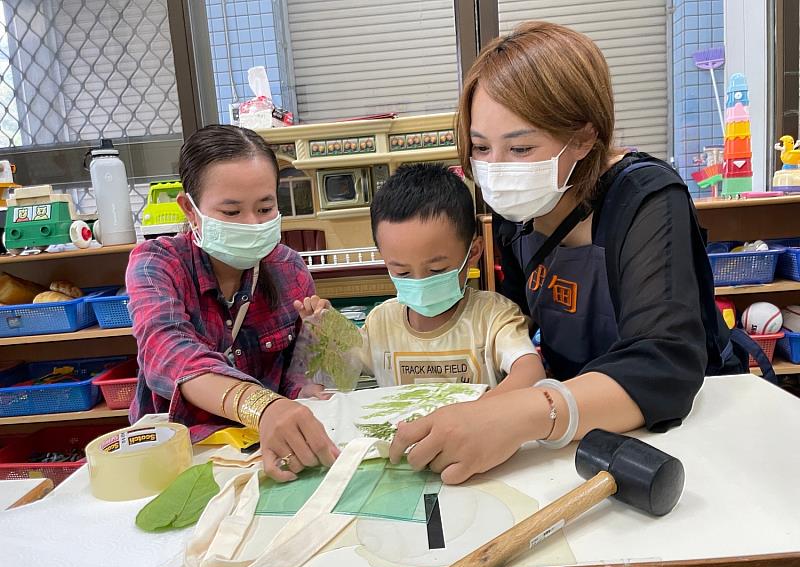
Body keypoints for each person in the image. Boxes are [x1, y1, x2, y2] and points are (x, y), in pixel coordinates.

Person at [386, 21, 745, 485]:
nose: (496, 170)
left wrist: (525, 414)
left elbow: (665, 363)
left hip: (678, 426)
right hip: (576, 428)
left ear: (583, 136)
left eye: (520, 147)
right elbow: (516, 323)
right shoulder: (519, 211)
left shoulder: (646, 198)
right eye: (480, 147)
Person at [127, 124, 337, 482]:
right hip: (180, 457)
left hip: (263, 452)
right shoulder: (157, 263)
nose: (253, 224)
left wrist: (318, 352)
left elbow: (292, 377)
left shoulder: (288, 268)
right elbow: (168, 351)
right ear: (190, 210)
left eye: (265, 207)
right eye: (232, 212)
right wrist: (262, 405)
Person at [297, 162, 544, 394]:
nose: (419, 283)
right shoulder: (382, 323)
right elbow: (338, 378)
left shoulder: (493, 317)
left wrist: (474, 416)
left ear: (473, 252)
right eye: (402, 272)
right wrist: (326, 335)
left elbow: (530, 371)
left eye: (436, 270)